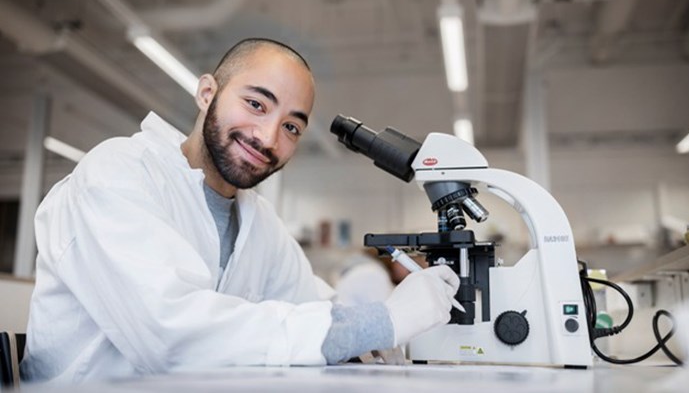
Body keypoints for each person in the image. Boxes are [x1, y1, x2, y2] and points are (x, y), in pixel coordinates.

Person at [20, 38, 460, 383]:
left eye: (290, 126)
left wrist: (381, 330)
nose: (268, 137)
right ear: (207, 92)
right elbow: (171, 334)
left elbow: (311, 302)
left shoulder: (258, 220)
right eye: (256, 104)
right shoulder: (119, 173)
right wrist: (378, 322)